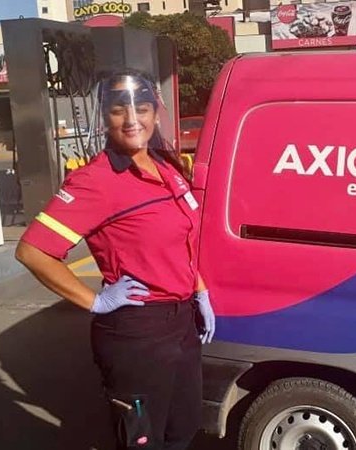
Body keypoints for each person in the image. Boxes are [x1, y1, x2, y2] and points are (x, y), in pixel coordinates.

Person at [15, 71, 215, 450]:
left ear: (155, 113)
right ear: (104, 117)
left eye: (142, 109)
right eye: (119, 110)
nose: (132, 120)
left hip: (182, 322)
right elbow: (33, 251)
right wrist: (95, 300)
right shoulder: (95, 181)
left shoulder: (168, 168)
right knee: (142, 441)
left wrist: (199, 290)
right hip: (137, 331)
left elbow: (182, 242)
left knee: (183, 430)